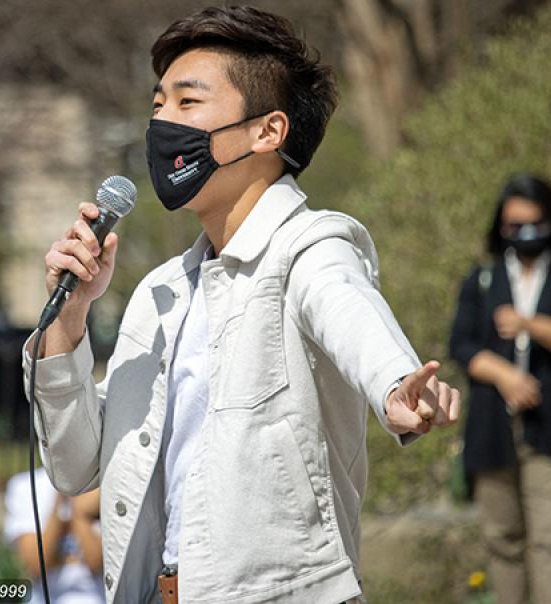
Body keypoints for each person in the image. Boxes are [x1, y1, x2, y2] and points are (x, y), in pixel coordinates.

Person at [23, 7, 461, 603]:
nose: (162, 125)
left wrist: (394, 383)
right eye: (157, 106)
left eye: (187, 103)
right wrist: (68, 322)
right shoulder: (160, 295)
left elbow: (346, 307)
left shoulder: (309, 247)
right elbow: (75, 468)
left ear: (267, 131)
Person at [449, 174, 551, 604]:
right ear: (501, 227)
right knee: (503, 542)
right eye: (515, 227)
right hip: (492, 430)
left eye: (535, 224)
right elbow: (461, 346)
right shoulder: (482, 278)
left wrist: (529, 324)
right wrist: (505, 376)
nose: (526, 235)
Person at [3, 468, 105, 604]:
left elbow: (96, 562)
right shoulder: (26, 485)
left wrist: (80, 515)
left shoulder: (106, 480)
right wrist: (62, 497)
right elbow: (36, 565)